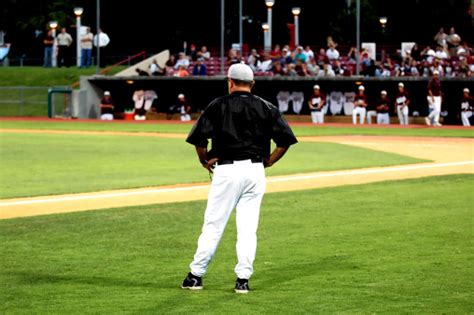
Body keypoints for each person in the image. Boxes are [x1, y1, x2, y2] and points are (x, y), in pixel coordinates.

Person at [181, 63, 298, 293]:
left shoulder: (218, 105)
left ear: (230, 82)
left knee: (214, 225)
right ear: (252, 84)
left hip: (227, 171)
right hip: (255, 172)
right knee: (248, 229)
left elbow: (199, 140)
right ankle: (242, 281)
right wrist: (270, 161)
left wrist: (204, 161)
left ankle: (195, 276)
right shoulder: (266, 107)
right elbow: (285, 141)